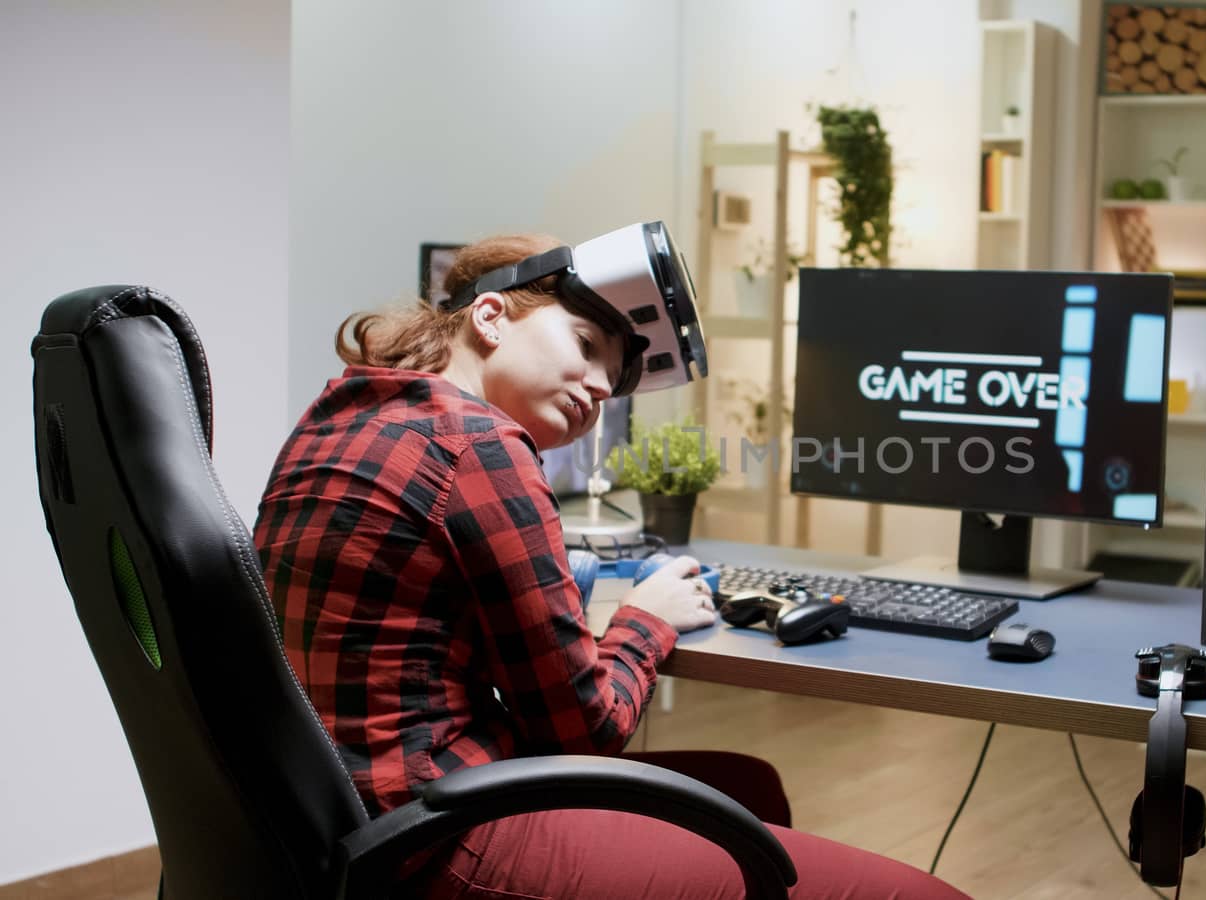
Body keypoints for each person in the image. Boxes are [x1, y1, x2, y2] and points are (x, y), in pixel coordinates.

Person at [253, 231, 970, 899]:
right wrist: (643, 622)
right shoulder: (478, 444)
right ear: (492, 316)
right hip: (434, 840)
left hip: (325, 825)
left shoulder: (340, 415)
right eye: (586, 343)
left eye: (614, 376)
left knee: (746, 786)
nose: (600, 386)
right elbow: (581, 733)